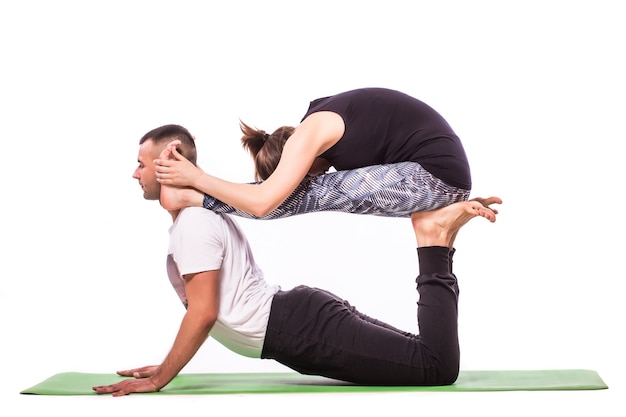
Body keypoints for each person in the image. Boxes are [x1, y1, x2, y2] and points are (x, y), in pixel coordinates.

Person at [92, 124, 501, 396]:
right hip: (298, 323)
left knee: (435, 366)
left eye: (142, 164)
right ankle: (433, 238)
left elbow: (202, 313)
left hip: (299, 329)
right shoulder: (196, 218)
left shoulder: (194, 224)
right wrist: (163, 365)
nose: (135, 174)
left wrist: (163, 376)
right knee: (419, 358)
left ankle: (433, 241)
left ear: (170, 157)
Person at [152, 87, 497, 250]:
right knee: (311, 194)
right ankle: (439, 209)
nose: (312, 177)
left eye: (303, 175)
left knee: (304, 197)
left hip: (430, 177)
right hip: (431, 180)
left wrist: (196, 179)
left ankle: (192, 198)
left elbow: (262, 203)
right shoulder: (323, 118)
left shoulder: (309, 134)